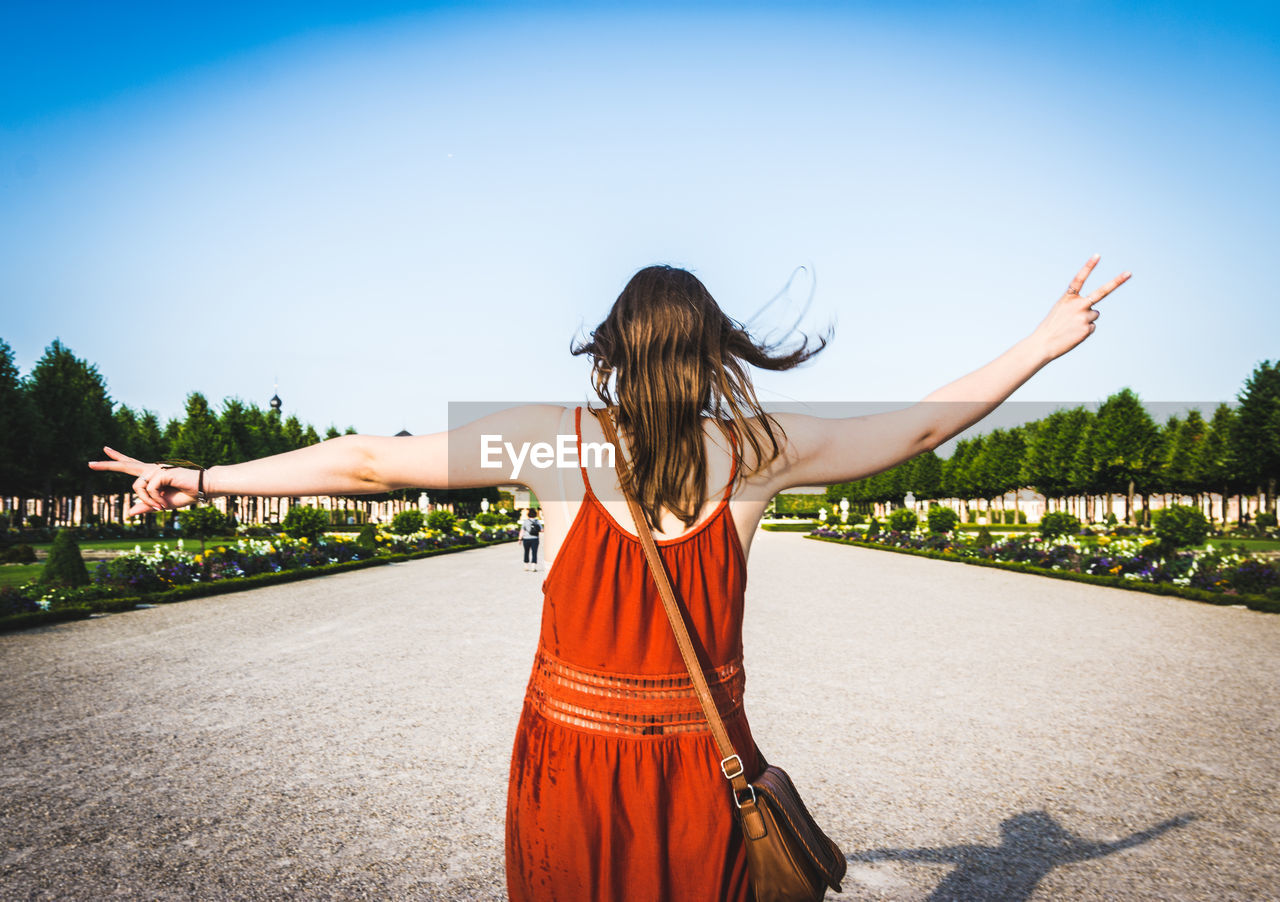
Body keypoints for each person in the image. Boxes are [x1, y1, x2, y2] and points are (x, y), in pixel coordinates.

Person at [89, 258, 1129, 901]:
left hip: (570, 762)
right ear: (715, 348)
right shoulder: (757, 452)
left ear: (613, 353)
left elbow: (364, 458)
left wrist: (201, 475)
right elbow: (921, 423)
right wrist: (1038, 343)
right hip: (702, 765)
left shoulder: (555, 445)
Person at [518, 507, 542, 571]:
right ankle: (533, 567)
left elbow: (522, 531)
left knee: (526, 552)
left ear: (528, 514)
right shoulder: (537, 521)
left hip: (526, 539)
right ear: (535, 514)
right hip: (535, 539)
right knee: (534, 552)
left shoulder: (525, 522)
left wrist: (520, 539)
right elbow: (541, 530)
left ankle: (526, 567)